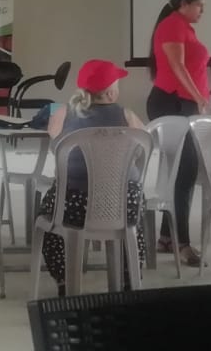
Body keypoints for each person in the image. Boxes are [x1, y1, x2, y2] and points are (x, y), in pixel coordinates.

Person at [37, 59, 149, 296]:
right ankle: (130, 276)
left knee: (47, 214)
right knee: (136, 217)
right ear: (111, 92)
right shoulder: (127, 115)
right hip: (123, 205)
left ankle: (64, 280)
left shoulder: (62, 113)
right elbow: (144, 146)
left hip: (73, 207)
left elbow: (56, 147)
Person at [146, 0, 211, 268]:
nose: (202, 11)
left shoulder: (183, 26)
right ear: (184, 3)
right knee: (186, 171)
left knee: (180, 170)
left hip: (182, 103)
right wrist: (198, 97)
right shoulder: (172, 25)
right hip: (172, 102)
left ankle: (166, 237)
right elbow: (178, 66)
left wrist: (198, 99)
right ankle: (181, 243)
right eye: (199, 5)